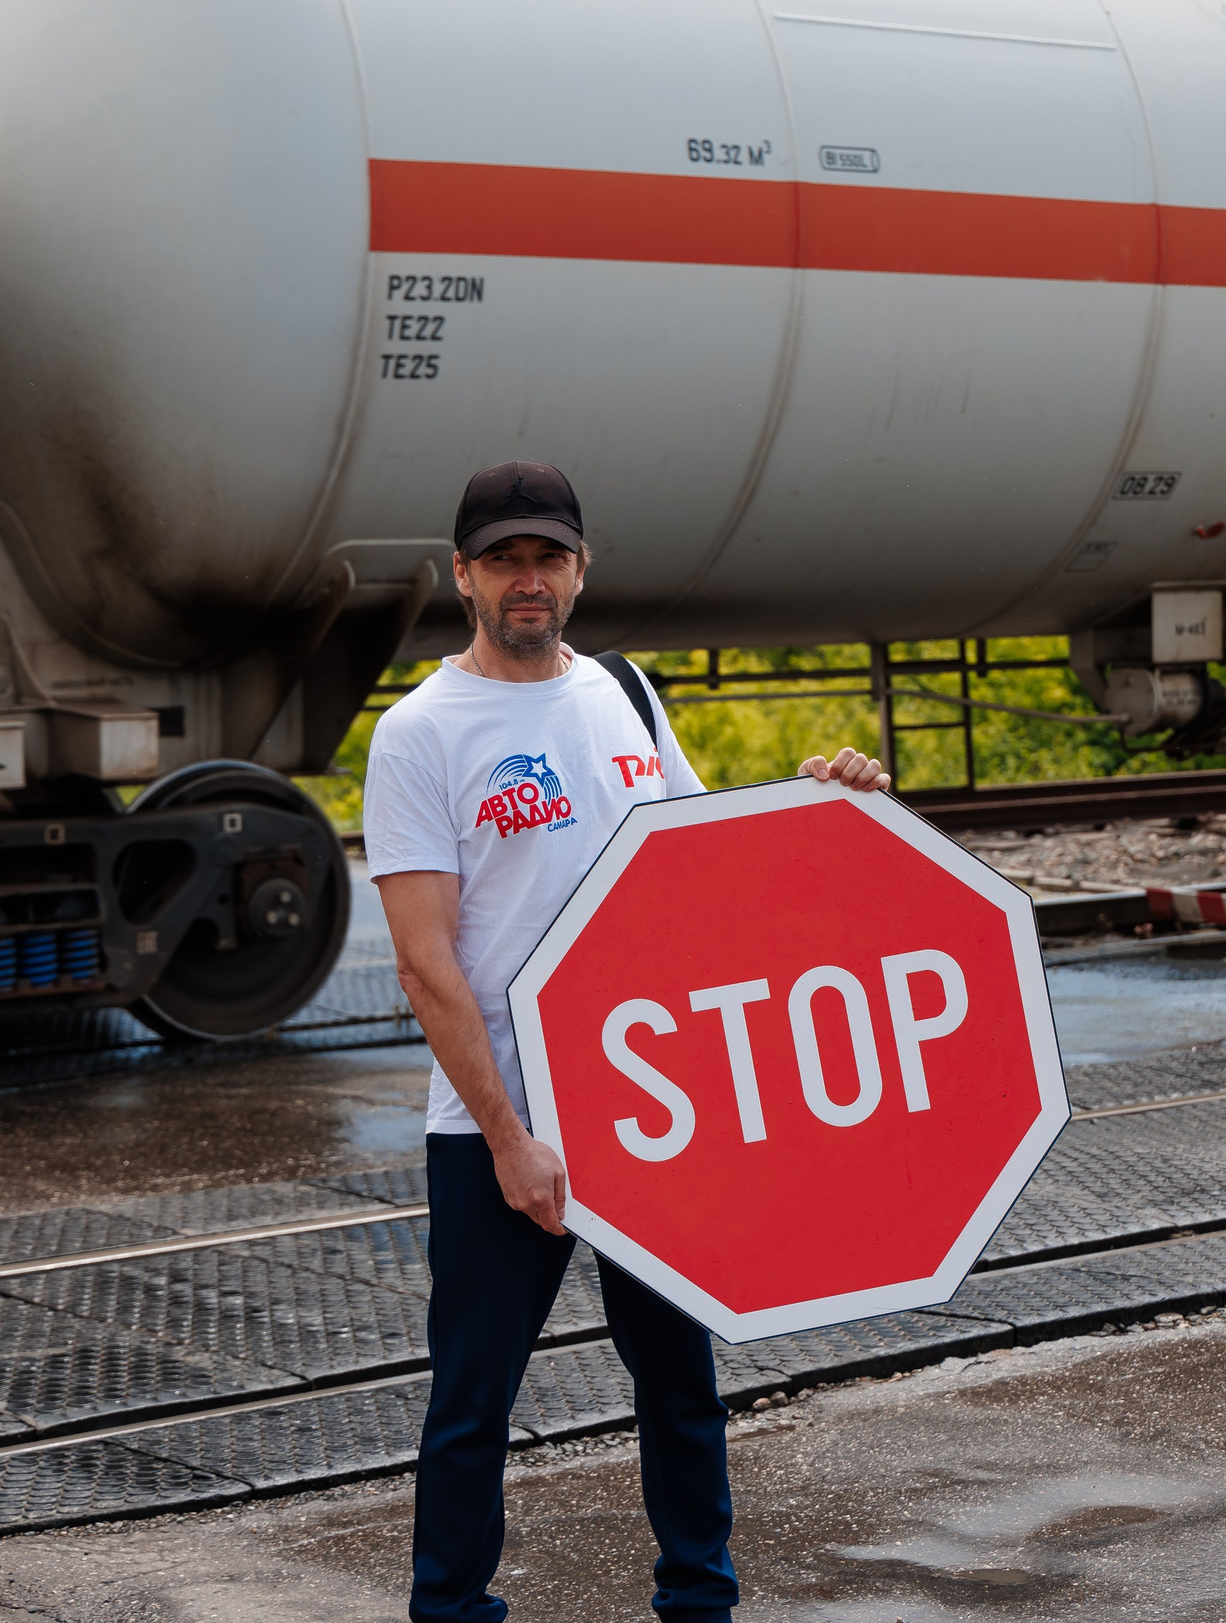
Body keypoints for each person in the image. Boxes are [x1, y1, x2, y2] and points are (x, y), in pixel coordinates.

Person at [363, 461, 890, 1623]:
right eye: (503, 559)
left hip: (653, 1104)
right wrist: (507, 1136)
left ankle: (699, 1601)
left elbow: (705, 864)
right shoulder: (419, 734)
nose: (528, 579)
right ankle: (451, 1613)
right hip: (502, 1124)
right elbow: (425, 965)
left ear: (581, 567)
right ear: (462, 576)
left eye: (547, 556)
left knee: (680, 1386)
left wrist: (823, 801)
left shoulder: (624, 695)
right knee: (471, 1405)